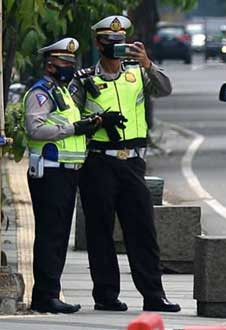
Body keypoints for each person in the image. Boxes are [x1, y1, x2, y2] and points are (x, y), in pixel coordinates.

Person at [72, 15, 180, 312]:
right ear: (98, 43)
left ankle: (154, 295)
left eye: (121, 43)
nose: (116, 48)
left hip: (132, 163)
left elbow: (165, 89)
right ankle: (106, 295)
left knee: (143, 229)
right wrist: (95, 121)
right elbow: (71, 120)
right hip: (98, 162)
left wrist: (147, 63)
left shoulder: (136, 73)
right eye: (110, 42)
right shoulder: (84, 80)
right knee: (100, 230)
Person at [23, 38, 102, 313]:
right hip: (49, 172)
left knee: (58, 236)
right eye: (63, 62)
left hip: (66, 174)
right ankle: (45, 297)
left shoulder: (63, 91)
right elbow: (35, 128)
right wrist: (74, 128)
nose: (68, 66)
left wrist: (87, 126)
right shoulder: (41, 92)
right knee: (50, 236)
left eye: (71, 62)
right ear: (50, 64)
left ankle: (50, 293)